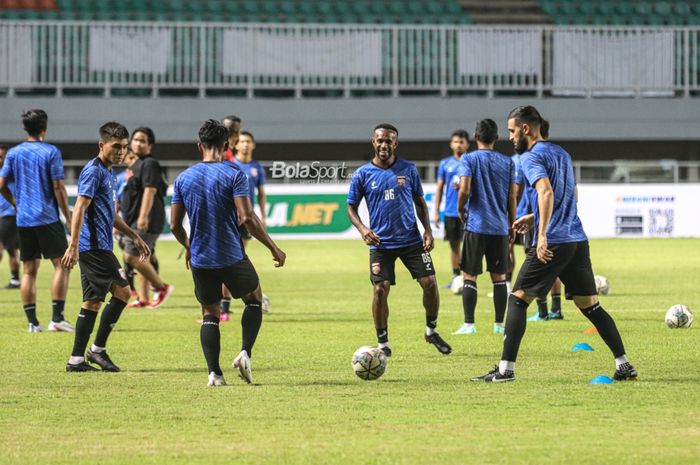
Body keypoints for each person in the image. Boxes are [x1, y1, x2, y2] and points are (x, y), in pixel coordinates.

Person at [471, 106, 637, 383]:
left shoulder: (529, 158)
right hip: (576, 239)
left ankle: (505, 370)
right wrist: (534, 218)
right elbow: (564, 196)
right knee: (590, 306)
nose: (510, 137)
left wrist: (543, 233)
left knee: (517, 299)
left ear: (525, 129)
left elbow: (546, 191)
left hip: (555, 240)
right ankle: (624, 365)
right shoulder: (562, 153)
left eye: (512, 131)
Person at [170, 119, 286, 386]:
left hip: (201, 258)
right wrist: (273, 247)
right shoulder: (234, 174)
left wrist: (188, 246)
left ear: (200, 146)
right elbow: (246, 217)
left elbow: (175, 224)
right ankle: (245, 353)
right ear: (225, 145)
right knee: (254, 300)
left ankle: (214, 374)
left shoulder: (183, 178)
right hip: (232, 255)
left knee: (210, 314)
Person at [347, 123, 452, 358]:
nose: (384, 145)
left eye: (389, 141)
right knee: (380, 290)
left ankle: (431, 330)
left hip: (411, 240)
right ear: (373, 142)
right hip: (381, 243)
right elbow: (351, 207)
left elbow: (419, 202)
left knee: (431, 283)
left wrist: (427, 230)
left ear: (396, 143)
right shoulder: (363, 174)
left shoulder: (409, 169)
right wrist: (363, 229)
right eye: (380, 140)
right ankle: (383, 343)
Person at [62, 122, 150, 372]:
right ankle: (97, 350)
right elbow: (79, 207)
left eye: (124, 147)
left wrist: (134, 234)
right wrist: (74, 245)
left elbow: (109, 214)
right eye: (116, 147)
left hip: (98, 245)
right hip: (93, 247)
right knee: (124, 293)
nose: (121, 152)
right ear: (102, 145)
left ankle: (76, 360)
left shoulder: (108, 171)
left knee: (91, 302)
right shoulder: (94, 171)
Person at [0, 110, 74, 333]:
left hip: (24, 219)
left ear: (25, 128)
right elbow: (58, 187)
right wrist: (68, 218)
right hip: (47, 217)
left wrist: (15, 203)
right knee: (62, 264)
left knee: (29, 270)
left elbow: (1, 183)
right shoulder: (51, 152)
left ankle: (32, 323)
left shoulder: (14, 153)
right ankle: (57, 318)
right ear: (44, 128)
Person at [453, 119, 517, 336]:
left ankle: (469, 325)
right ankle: (499, 325)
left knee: (469, 275)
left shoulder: (468, 158)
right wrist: (512, 223)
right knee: (499, 277)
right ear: (497, 138)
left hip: (476, 225)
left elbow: (464, 189)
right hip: (499, 227)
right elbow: (511, 196)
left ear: (475, 136)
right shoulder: (508, 162)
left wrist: (461, 209)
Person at [218, 130, 269, 320]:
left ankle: (226, 307)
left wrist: (263, 217)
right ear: (235, 145)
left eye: (249, 141)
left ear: (253, 145)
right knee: (231, 261)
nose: (246, 144)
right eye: (242, 141)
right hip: (230, 219)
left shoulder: (257, 168)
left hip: (246, 220)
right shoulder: (230, 166)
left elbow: (261, 194)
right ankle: (225, 307)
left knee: (236, 259)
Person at [120, 127, 173, 308]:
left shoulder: (149, 163)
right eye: (135, 140)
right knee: (143, 258)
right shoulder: (136, 165)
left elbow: (150, 190)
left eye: (142, 140)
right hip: (133, 218)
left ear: (150, 145)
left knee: (130, 257)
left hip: (147, 219)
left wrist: (143, 216)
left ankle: (161, 287)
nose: (138, 143)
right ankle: (143, 298)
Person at [433, 130, 469, 289]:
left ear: (467, 144)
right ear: (451, 144)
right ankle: (456, 277)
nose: (458, 145)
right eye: (456, 142)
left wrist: (465, 186)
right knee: (454, 246)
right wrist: (435, 212)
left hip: (469, 212)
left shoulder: (471, 161)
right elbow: (440, 188)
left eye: (461, 142)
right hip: (450, 212)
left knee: (469, 247)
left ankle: (468, 278)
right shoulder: (445, 163)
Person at [114, 148, 138, 293]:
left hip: (138, 221)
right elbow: (116, 201)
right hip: (125, 220)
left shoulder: (143, 175)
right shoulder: (120, 177)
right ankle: (132, 286)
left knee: (149, 255)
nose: (132, 160)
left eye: (134, 157)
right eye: (129, 157)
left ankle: (154, 285)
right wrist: (115, 222)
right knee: (127, 254)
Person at [0, 144, 21, 289]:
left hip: (9, 214)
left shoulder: (10, 172)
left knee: (6, 248)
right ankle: (15, 280)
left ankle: (15, 279)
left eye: (1, 156)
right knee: (11, 249)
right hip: (4, 215)